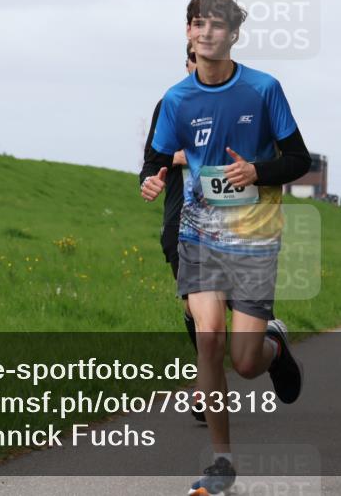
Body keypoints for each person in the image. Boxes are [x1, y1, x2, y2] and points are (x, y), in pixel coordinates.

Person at [139, 0, 311, 495]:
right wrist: (151, 178)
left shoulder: (263, 89)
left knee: (245, 362)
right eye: (198, 24)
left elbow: (299, 159)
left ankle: (274, 350)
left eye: (217, 25)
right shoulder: (176, 99)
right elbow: (155, 158)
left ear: (234, 34)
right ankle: (221, 464)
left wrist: (257, 171)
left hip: (253, 238)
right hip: (199, 234)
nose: (206, 32)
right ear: (188, 33)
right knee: (208, 335)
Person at [140, 45, 203, 422]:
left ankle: (269, 342)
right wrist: (151, 180)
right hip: (182, 221)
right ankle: (207, 382)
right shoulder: (170, 104)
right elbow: (151, 162)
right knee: (195, 306)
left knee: (239, 313)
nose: (203, 62)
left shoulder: (242, 102)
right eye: (196, 56)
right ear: (187, 63)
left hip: (234, 224)